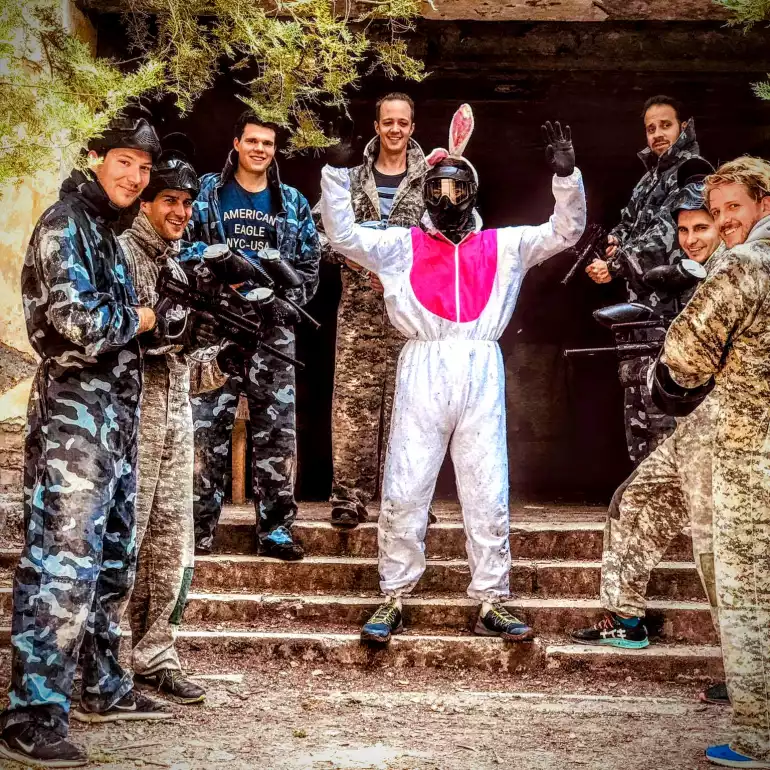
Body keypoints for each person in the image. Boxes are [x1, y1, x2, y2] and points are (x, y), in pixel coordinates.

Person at [320, 104, 586, 644]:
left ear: (473, 194)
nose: (447, 200)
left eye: (457, 190)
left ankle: (492, 597)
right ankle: (393, 592)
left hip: (479, 365)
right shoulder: (401, 246)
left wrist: (565, 178)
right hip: (421, 361)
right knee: (404, 484)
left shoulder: (504, 246)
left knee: (487, 486)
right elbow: (344, 235)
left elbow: (566, 230)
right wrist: (335, 174)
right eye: (437, 190)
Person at [0, 109, 172, 769]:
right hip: (73, 420)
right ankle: (30, 718)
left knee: (110, 562)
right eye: (123, 160)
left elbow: (125, 330)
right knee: (60, 566)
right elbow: (77, 323)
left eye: (143, 166)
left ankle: (102, 685)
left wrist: (164, 325)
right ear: (96, 158)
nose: (135, 175)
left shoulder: (106, 231)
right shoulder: (64, 225)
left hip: (114, 419)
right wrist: (146, 314)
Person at [570, 168, 725, 654]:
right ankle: (626, 618)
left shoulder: (736, 272)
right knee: (633, 502)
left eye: (702, 228)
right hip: (693, 429)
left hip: (730, 429)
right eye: (684, 230)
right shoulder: (685, 277)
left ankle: (742, 663)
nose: (691, 239)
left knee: (716, 543)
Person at [661, 157, 770, 768]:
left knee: (752, 596)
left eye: (735, 208)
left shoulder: (741, 267)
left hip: (751, 457)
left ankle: (758, 740)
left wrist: (674, 375)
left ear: (765, 205)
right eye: (718, 209)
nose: (725, 221)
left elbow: (685, 355)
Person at [118, 148, 225, 706]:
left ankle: (156, 654)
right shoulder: (123, 255)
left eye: (186, 203)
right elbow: (114, 341)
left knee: (172, 543)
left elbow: (187, 369)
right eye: (169, 201)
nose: (181, 212)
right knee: (125, 541)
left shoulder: (178, 263)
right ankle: (109, 664)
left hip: (175, 421)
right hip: (132, 419)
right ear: (145, 201)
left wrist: (227, 358)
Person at [188, 111, 321, 559]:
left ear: (274, 150)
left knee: (277, 433)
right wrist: (214, 276)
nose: (259, 149)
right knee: (204, 430)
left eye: (268, 143)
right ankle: (196, 531)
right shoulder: (207, 194)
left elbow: (308, 266)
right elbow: (182, 245)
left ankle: (276, 530)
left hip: (273, 333)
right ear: (236, 143)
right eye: (252, 141)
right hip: (215, 329)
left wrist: (286, 301)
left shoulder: (293, 203)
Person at [319, 92, 428, 529]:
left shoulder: (433, 177)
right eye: (388, 122)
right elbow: (320, 231)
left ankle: (409, 496)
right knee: (353, 403)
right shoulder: (350, 176)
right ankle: (349, 497)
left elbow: (451, 237)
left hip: (412, 310)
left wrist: (408, 270)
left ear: (412, 127)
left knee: (413, 402)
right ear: (377, 125)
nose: (396, 129)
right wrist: (346, 256)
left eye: (403, 122)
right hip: (360, 308)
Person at [586, 95, 710, 465]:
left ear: (683, 127)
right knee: (639, 401)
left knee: (669, 406)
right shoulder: (648, 180)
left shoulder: (694, 173)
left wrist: (619, 263)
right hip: (645, 314)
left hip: (675, 307)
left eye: (665, 125)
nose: (657, 134)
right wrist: (614, 242)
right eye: (651, 128)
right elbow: (628, 222)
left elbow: (668, 233)